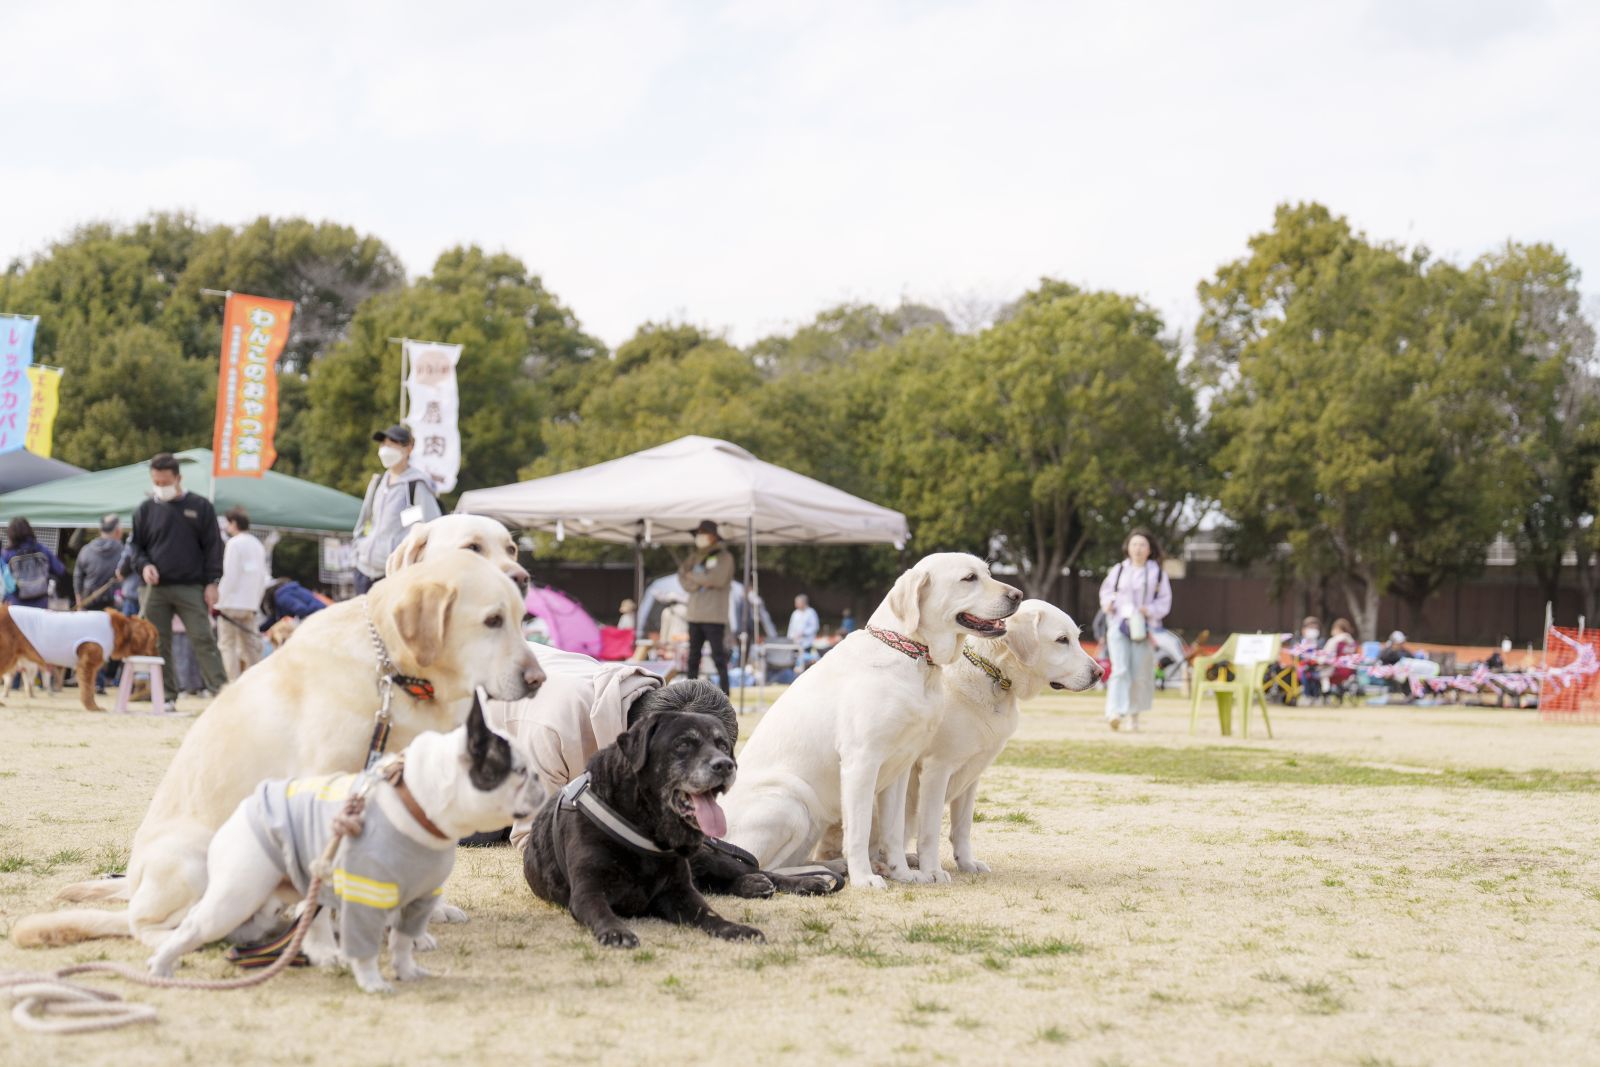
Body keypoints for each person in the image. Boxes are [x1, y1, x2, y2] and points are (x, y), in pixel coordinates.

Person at [130, 452, 229, 711]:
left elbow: (213, 547)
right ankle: (166, 696)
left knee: (203, 638)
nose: (160, 487)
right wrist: (144, 565)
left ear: (178, 478)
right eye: (156, 482)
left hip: (191, 586)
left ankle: (221, 694)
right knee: (157, 642)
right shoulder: (145, 509)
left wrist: (213, 581)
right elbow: (135, 547)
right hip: (155, 588)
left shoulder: (200, 506)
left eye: (165, 482)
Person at [352, 425, 442, 594]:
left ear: (408, 448)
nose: (385, 449)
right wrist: (357, 550)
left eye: (392, 444)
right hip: (363, 569)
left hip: (392, 573)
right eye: (383, 444)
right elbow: (364, 519)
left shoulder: (416, 485)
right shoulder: (378, 482)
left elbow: (431, 525)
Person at [1098, 528, 1172, 732]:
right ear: (1128, 548)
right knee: (1120, 669)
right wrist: (1109, 604)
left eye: (1142, 545)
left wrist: (1149, 610)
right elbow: (1106, 592)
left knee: (1139, 673)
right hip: (1119, 624)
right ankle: (1114, 712)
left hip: (1144, 627)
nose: (1138, 549)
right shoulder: (1119, 569)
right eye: (1134, 544)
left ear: (1150, 549)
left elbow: (1164, 602)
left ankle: (1134, 716)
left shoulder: (1157, 573)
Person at [678, 519, 735, 695]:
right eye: (699, 533)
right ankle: (689, 695)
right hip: (694, 615)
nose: (700, 536)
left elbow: (716, 579)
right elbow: (682, 575)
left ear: (714, 536)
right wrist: (701, 580)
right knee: (693, 658)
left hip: (714, 616)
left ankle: (725, 694)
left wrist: (694, 577)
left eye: (703, 533)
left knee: (719, 658)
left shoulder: (724, 557)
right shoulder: (695, 556)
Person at [216, 507, 268, 682]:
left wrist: (219, 601)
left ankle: (233, 683)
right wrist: (255, 602)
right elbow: (262, 577)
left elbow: (230, 575)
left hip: (230, 603)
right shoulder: (257, 544)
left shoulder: (234, 543)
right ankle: (256, 683)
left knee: (227, 645)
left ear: (234, 523)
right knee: (250, 647)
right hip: (250, 604)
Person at [4, 517, 66, 610]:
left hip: (15, 605)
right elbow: (60, 570)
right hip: (41, 604)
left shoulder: (7, 554)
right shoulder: (41, 549)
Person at [74, 515, 125, 610]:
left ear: (100, 530)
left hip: (88, 602)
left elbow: (78, 576)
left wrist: (78, 597)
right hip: (113, 607)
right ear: (118, 531)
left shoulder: (86, 550)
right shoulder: (123, 551)